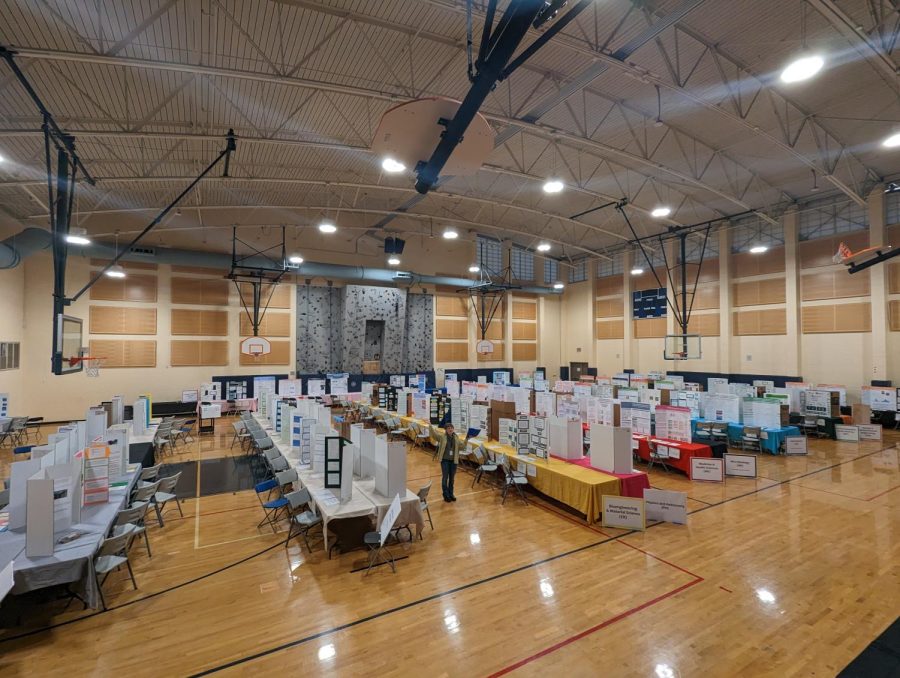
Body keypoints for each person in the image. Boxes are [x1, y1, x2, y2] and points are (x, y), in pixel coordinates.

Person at [438, 423, 463, 502]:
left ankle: (451, 493)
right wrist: (430, 426)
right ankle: (445, 495)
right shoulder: (442, 437)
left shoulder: (456, 437)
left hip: (453, 461)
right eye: (448, 428)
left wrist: (467, 439)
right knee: (445, 477)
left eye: (451, 428)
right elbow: (434, 435)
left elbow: (461, 447)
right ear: (446, 429)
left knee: (452, 479)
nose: (450, 429)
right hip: (445, 460)